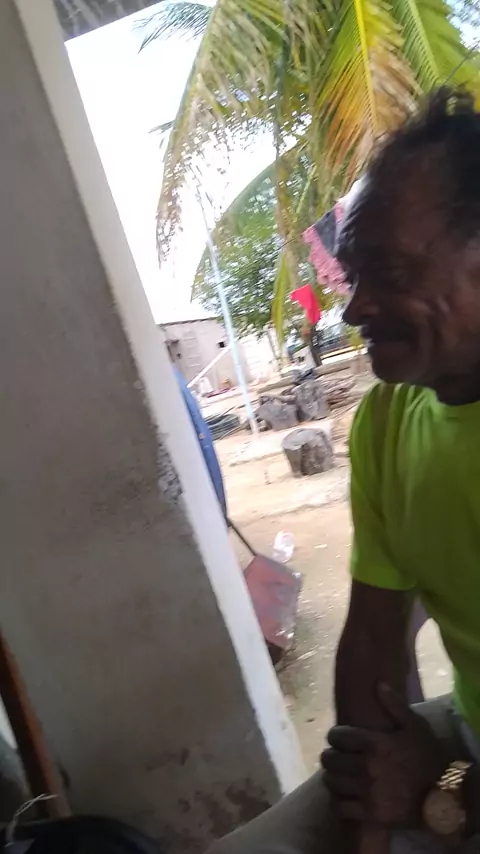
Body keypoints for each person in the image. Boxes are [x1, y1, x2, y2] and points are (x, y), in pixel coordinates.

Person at [206, 88, 480, 854]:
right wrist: (372, 832)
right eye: (355, 275)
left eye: (389, 272)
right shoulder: (390, 420)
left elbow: (439, 786)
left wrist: (448, 790)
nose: (355, 310)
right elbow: (372, 647)